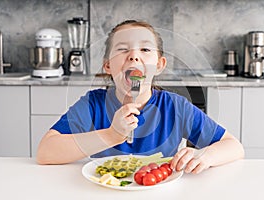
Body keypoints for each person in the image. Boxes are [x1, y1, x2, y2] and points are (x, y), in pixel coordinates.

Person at [37, 20, 244, 174]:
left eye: (145, 49)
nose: (134, 56)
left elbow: (234, 146)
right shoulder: (93, 104)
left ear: (159, 65)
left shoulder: (174, 107)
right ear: (108, 65)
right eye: (122, 49)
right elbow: (45, 152)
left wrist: (204, 156)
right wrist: (112, 135)